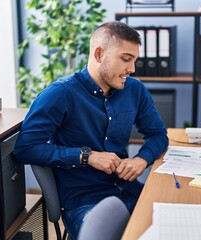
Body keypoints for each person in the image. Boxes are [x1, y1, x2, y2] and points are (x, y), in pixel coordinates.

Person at [13, 21, 168, 239]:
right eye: (125, 59)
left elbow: (158, 135)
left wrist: (141, 159)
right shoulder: (60, 94)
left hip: (128, 191)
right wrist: (87, 157)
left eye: (134, 60)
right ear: (98, 54)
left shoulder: (135, 90)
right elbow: (25, 148)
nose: (132, 69)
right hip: (84, 202)